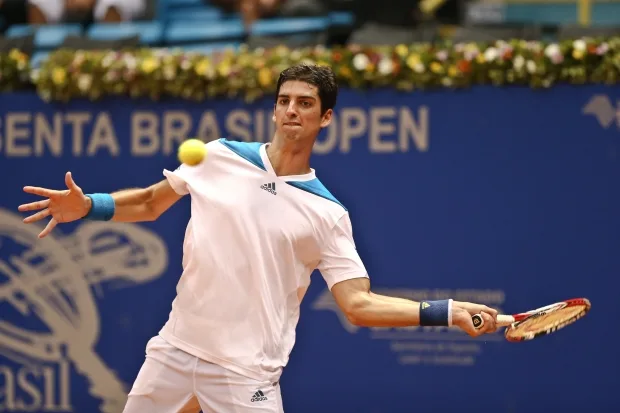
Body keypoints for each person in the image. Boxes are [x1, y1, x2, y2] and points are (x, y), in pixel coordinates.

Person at [17, 64, 498, 413]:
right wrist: (88, 206)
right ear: (273, 108)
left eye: (305, 103)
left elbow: (358, 305)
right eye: (285, 100)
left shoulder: (327, 213)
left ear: (325, 119)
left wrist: (447, 312)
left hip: (246, 374)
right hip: (176, 349)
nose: (292, 110)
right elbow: (149, 202)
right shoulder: (218, 155)